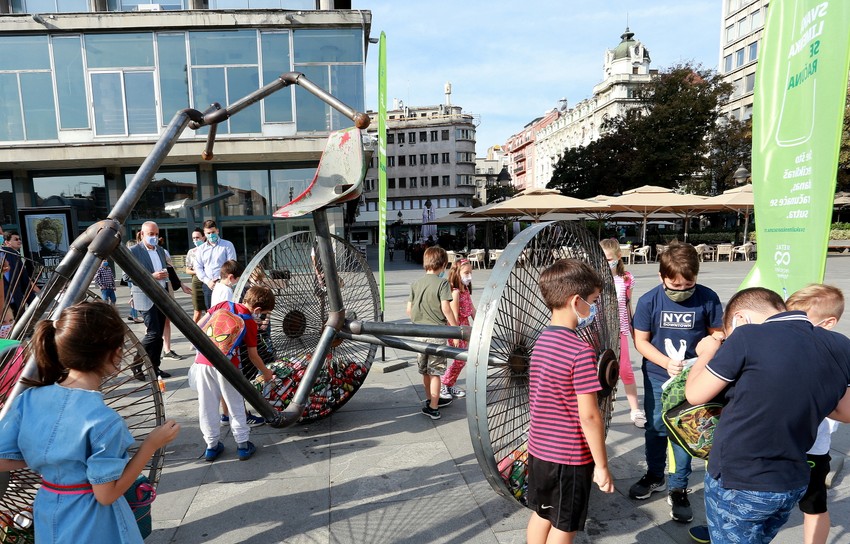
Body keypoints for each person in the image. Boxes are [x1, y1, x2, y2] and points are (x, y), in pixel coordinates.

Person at [0, 301, 180, 543]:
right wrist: (151, 445)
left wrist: (50, 457)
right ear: (115, 353)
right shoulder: (105, 420)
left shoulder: (29, 398)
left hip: (47, 507)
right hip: (92, 521)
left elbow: (3, 458)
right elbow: (106, 494)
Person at [686, 287, 850, 543]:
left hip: (741, 480)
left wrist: (707, 352)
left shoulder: (747, 335)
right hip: (792, 481)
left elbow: (695, 394)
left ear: (740, 318)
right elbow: (845, 412)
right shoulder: (840, 344)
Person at [629, 241, 723, 524]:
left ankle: (679, 487)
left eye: (688, 285)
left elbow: (717, 332)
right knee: (656, 427)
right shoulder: (649, 301)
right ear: (662, 277)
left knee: (684, 430)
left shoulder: (707, 298)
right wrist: (665, 362)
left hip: (694, 378)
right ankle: (655, 475)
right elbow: (641, 341)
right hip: (658, 375)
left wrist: (712, 344)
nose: (681, 290)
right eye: (675, 285)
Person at [526, 258, 614, 544]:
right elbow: (589, 416)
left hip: (539, 449)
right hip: (570, 457)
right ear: (576, 301)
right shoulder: (580, 351)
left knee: (542, 513)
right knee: (565, 524)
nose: (594, 308)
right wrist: (602, 465)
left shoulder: (541, 341)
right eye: (594, 301)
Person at [786, 284, 845, 544]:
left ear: (828, 322)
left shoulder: (836, 354)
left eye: (800, 319)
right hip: (777, 443)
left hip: (812, 449)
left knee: (814, 505)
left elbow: (844, 411)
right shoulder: (786, 345)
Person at [194, 286, 276, 462]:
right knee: (235, 404)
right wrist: (266, 372)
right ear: (257, 309)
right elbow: (253, 355)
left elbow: (199, 326)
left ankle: (211, 446)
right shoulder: (249, 322)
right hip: (228, 366)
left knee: (207, 405)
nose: (261, 317)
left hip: (203, 362)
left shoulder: (223, 304)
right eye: (263, 314)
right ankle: (243, 445)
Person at [129, 221, 190, 379]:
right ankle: (136, 363)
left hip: (161, 296)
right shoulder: (134, 251)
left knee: (159, 334)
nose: (154, 237)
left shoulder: (161, 251)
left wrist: (177, 283)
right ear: (142, 234)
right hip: (145, 297)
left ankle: (155, 367)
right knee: (153, 333)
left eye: (156, 234)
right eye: (151, 234)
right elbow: (127, 276)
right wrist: (152, 276)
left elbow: (169, 270)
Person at [406, 246, 458, 420]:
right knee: (435, 372)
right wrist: (455, 328)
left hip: (419, 334)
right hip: (437, 333)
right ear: (443, 265)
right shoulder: (442, 283)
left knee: (425, 371)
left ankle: (430, 400)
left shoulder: (416, 284)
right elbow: (446, 308)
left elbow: (409, 310)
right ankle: (434, 407)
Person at [599, 238, 645, 428]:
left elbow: (628, 305)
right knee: (596, 371)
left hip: (621, 330)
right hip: (599, 331)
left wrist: (634, 331)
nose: (606, 262)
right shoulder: (596, 278)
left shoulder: (626, 278)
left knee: (625, 369)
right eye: (603, 259)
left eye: (609, 259)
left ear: (619, 256)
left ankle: (635, 409)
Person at [441, 258, 476, 399]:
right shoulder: (455, 292)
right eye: (466, 273)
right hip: (456, 327)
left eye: (470, 272)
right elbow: (454, 314)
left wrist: (480, 324)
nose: (469, 276)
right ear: (457, 273)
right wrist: (455, 334)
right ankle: (445, 383)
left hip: (465, 326)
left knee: (462, 358)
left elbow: (472, 309)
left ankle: (449, 384)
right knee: (460, 359)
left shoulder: (465, 289)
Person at [194, 220, 237, 310]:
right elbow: (198, 267)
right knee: (210, 312)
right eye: (208, 233)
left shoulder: (227, 245)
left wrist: (220, 280)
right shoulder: (201, 249)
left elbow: (231, 265)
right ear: (204, 233)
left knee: (226, 310)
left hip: (224, 284)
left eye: (213, 232)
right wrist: (208, 281)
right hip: (208, 285)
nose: (211, 235)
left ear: (217, 231)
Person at [2, 231, 40, 316]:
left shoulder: (15, 256)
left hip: (17, 303)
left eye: (19, 239)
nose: (19, 241)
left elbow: (25, 281)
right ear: (7, 242)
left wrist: (32, 303)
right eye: (16, 239)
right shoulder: (11, 255)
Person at [185, 228, 207, 323]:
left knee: (209, 310)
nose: (195, 240)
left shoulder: (209, 249)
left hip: (209, 281)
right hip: (197, 282)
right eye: (193, 238)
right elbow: (187, 270)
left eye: (197, 237)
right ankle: (193, 330)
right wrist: (198, 271)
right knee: (197, 311)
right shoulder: (191, 252)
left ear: (203, 237)